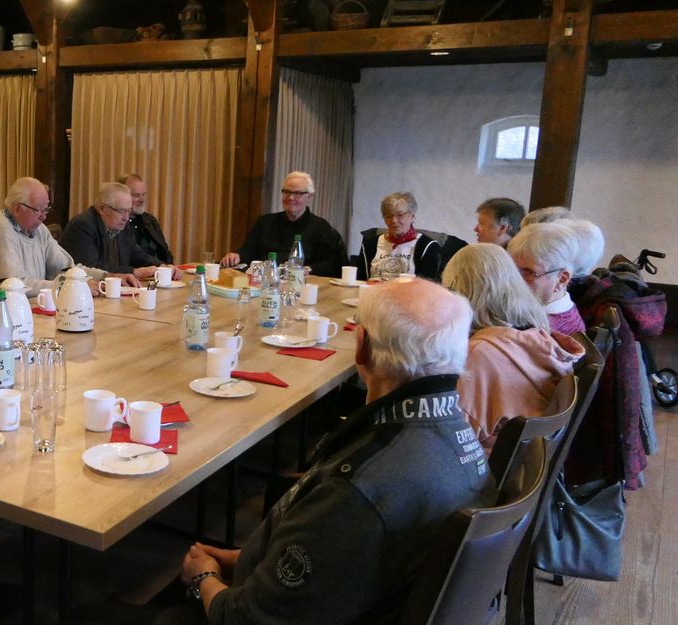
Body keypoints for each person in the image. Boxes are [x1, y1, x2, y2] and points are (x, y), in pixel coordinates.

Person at [170, 277, 493, 624]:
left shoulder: (355, 489)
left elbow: (246, 619)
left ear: (362, 347)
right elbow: (338, 557)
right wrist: (253, 555)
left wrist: (204, 578)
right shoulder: (459, 434)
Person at [442, 244, 584, 451]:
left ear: (461, 294)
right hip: (524, 457)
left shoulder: (479, 353)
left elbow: (450, 437)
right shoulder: (536, 334)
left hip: (486, 462)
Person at [0, 176, 139, 299]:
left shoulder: (40, 229)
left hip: (32, 309)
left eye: (46, 209)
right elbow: (15, 285)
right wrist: (71, 286)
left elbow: (67, 269)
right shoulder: (0, 229)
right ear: (17, 208)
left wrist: (107, 277)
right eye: (39, 210)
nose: (44, 217)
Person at [220, 171, 347, 277]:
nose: (290, 198)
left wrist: (307, 269)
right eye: (287, 192)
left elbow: (330, 265)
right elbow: (248, 250)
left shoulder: (321, 227)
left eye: (297, 194)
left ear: (309, 197)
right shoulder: (265, 222)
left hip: (300, 283)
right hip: (263, 280)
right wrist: (236, 255)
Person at [60, 181, 181, 281]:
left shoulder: (121, 224)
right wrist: (135, 272)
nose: (126, 218)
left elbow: (136, 253)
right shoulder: (82, 226)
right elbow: (91, 268)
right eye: (122, 211)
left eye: (128, 211)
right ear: (102, 209)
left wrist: (161, 266)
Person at [508, 221, 585, 335]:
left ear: (562, 279)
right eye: (512, 270)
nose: (515, 282)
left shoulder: (548, 334)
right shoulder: (534, 309)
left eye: (528, 273)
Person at [356, 191, 442, 281]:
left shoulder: (427, 246)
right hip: (374, 289)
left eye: (400, 215)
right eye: (388, 216)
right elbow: (360, 281)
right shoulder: (370, 244)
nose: (394, 221)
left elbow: (428, 285)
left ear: (412, 216)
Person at [120, 173, 174, 264]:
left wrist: (169, 268)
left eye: (143, 195)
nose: (142, 200)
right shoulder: (116, 223)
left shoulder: (150, 220)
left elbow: (165, 252)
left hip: (159, 270)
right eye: (136, 195)